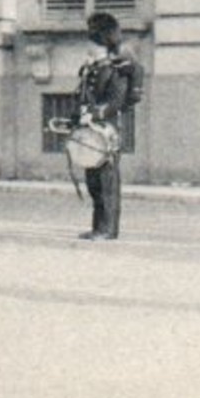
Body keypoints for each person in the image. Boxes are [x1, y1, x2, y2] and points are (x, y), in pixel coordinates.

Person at [73, 13, 133, 239]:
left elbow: (116, 101)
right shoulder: (91, 69)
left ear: (100, 44)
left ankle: (109, 229)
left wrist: (96, 114)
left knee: (107, 180)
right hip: (91, 131)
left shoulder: (115, 69)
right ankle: (98, 226)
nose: (88, 46)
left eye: (92, 42)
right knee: (93, 180)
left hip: (107, 131)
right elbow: (82, 97)